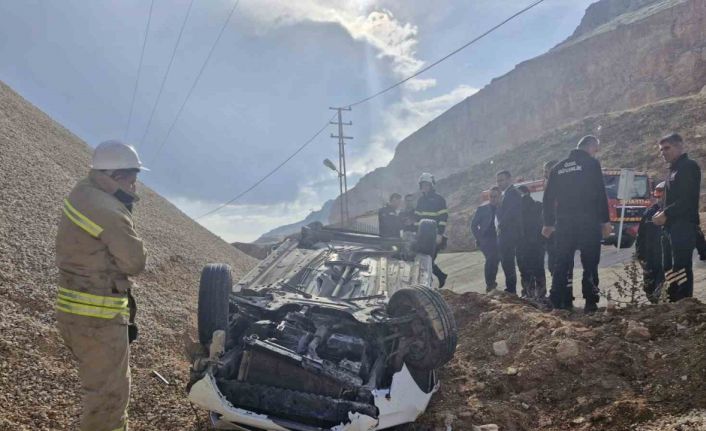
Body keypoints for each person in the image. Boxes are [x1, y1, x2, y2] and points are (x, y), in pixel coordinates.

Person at [55, 140, 148, 431]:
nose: (135, 183)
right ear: (115, 175)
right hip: (98, 320)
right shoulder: (108, 209)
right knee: (108, 399)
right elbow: (135, 262)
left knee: (100, 391)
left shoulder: (83, 191)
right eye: (132, 176)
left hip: (76, 313)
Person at [542, 135, 612, 313]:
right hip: (588, 222)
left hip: (565, 224)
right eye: (595, 149)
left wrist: (548, 223)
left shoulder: (558, 168)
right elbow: (600, 194)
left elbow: (548, 198)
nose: (595, 153)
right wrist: (605, 221)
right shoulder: (591, 164)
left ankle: (558, 301)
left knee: (562, 262)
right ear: (590, 146)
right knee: (590, 263)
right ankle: (590, 301)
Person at [652, 133, 702, 301]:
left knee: (681, 266)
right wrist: (660, 213)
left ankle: (684, 302)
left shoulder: (688, 166)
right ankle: (673, 300)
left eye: (667, 148)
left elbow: (687, 200)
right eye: (661, 150)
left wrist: (666, 213)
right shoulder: (671, 170)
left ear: (680, 146)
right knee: (669, 267)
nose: (663, 153)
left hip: (683, 225)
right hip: (669, 227)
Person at [415, 172, 449, 287]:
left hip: (433, 235)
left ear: (431, 185)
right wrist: (415, 233)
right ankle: (440, 276)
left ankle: (428, 284)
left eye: (427, 185)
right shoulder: (420, 200)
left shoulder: (439, 199)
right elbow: (417, 218)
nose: (424, 187)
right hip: (422, 236)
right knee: (424, 260)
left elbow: (443, 218)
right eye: (423, 185)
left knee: (428, 260)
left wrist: (440, 234)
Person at [636, 182, 666, 303]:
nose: (659, 198)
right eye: (657, 196)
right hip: (650, 255)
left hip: (666, 256)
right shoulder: (649, 213)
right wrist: (639, 254)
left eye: (661, 195)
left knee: (661, 283)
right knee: (649, 286)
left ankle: (660, 303)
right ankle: (654, 303)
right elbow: (641, 236)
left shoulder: (675, 213)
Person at [516, 185, 546, 300]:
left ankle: (531, 295)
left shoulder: (521, 209)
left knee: (527, 270)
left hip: (527, 244)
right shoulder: (539, 206)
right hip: (534, 244)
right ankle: (538, 295)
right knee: (535, 269)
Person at [495, 170, 523, 294]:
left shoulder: (513, 193)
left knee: (509, 262)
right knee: (507, 263)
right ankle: (510, 288)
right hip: (506, 234)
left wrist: (501, 224)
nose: (500, 183)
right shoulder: (505, 194)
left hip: (511, 234)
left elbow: (511, 212)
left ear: (509, 179)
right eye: (498, 181)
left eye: (502, 180)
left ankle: (512, 290)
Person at [471, 186, 500, 292]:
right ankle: (490, 284)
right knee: (491, 259)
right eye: (491, 196)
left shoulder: (503, 208)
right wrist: (479, 238)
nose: (493, 199)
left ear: (499, 197)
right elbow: (473, 225)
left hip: (499, 239)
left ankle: (492, 282)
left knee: (496, 261)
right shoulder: (482, 209)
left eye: (495, 196)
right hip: (486, 239)